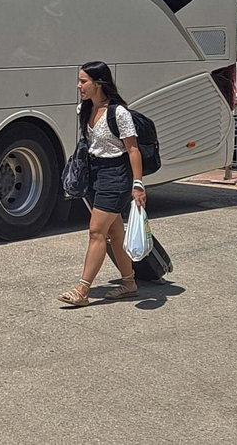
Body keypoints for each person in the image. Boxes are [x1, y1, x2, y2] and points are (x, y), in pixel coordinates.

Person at [59, 61, 147, 307]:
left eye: (84, 81)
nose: (79, 86)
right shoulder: (84, 110)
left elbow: (133, 150)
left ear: (99, 83)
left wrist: (137, 184)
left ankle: (82, 289)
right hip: (96, 174)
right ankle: (129, 283)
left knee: (96, 231)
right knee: (115, 232)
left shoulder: (118, 113)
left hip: (116, 175)